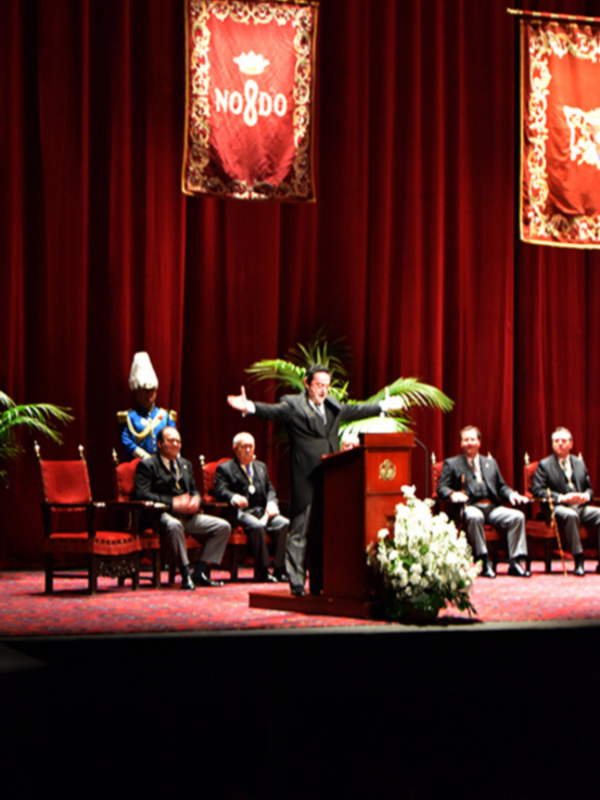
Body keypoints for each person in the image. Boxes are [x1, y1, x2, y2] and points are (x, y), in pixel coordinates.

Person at [227, 364, 403, 596]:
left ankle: (321, 582)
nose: (323, 391)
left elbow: (355, 410)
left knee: (323, 532)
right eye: (319, 385)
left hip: (331, 477)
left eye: (327, 386)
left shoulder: (331, 406)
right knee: (300, 532)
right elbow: (272, 411)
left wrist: (382, 406)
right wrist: (249, 407)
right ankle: (297, 582)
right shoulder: (293, 405)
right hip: (305, 478)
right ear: (307, 384)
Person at [134, 425, 231, 589]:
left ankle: (200, 571)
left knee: (223, 526)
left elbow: (194, 490)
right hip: (161, 515)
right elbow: (142, 494)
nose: (176, 444)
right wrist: (172, 502)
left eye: (178, 441)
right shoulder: (148, 465)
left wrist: (196, 500)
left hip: (188, 514)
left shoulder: (185, 464)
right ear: (159, 444)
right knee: (175, 525)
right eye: (171, 441)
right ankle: (185, 573)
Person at [437, 425, 530, 578]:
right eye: (465, 440)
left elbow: (501, 487)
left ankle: (515, 562)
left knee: (517, 517)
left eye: (472, 439)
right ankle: (484, 561)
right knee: (475, 516)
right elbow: (442, 488)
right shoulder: (452, 464)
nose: (469, 443)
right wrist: (453, 494)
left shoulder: (490, 463)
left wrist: (512, 494)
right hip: (470, 506)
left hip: (492, 508)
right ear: (461, 443)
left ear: (479, 442)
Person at [215, 432, 289, 582]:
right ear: (235, 448)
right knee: (256, 526)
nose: (248, 450)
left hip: (261, 511)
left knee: (283, 523)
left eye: (251, 446)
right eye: (244, 447)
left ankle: (280, 569)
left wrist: (271, 503)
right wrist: (233, 497)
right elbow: (220, 490)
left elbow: (270, 489)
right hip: (240, 512)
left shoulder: (261, 467)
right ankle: (262, 570)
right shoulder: (225, 468)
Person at [531, 426, 600, 576]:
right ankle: (578, 559)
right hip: (557, 508)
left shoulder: (579, 463)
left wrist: (585, 497)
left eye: (563, 440)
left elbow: (589, 489)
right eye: (556, 441)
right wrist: (562, 498)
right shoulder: (544, 465)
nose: (560, 443)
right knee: (570, 515)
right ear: (552, 444)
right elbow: (537, 491)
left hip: (580, 506)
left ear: (571, 444)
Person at [118, 352, 177, 459]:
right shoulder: (129, 418)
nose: (149, 395)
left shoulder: (165, 417)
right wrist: (146, 458)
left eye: (151, 391)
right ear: (137, 393)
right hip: (140, 467)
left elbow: (174, 441)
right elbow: (127, 442)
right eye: (145, 391)